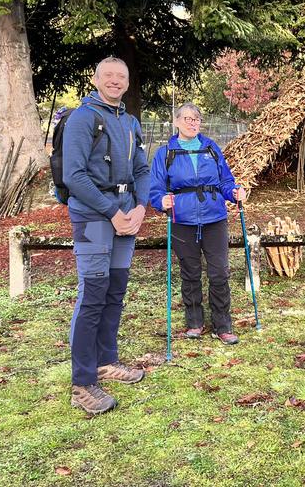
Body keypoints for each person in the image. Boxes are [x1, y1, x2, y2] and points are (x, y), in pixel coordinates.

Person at [63, 57, 150, 415]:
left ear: (127, 83)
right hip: (94, 219)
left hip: (127, 217)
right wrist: (112, 213)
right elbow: (74, 176)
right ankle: (82, 383)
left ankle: (106, 362)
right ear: (96, 79)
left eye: (121, 77)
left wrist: (141, 207)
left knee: (115, 293)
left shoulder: (129, 121)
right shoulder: (83, 118)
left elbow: (142, 168)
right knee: (93, 295)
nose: (115, 81)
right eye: (108, 75)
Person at [150, 103, 246, 346]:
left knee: (220, 272)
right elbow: (155, 190)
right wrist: (161, 201)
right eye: (187, 119)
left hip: (214, 218)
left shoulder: (211, 148)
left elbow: (225, 180)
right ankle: (194, 323)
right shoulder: (165, 153)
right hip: (183, 220)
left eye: (196, 119)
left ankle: (222, 325)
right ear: (177, 122)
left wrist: (233, 192)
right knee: (190, 272)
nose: (192, 123)